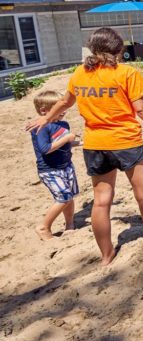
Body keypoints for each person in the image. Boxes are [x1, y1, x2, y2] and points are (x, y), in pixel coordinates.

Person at [25, 27, 143, 265]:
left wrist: (45, 118)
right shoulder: (126, 73)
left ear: (92, 48)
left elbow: (64, 102)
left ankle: (106, 255)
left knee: (101, 201)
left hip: (94, 145)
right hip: (126, 141)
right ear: (118, 48)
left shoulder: (79, 73)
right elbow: (141, 108)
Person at [30, 90, 79, 240]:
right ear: (44, 110)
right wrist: (67, 139)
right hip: (50, 170)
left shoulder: (63, 124)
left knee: (70, 196)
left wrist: (80, 143)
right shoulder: (40, 127)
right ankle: (44, 227)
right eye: (58, 108)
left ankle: (69, 225)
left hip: (66, 166)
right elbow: (46, 149)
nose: (63, 111)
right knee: (63, 197)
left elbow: (65, 145)